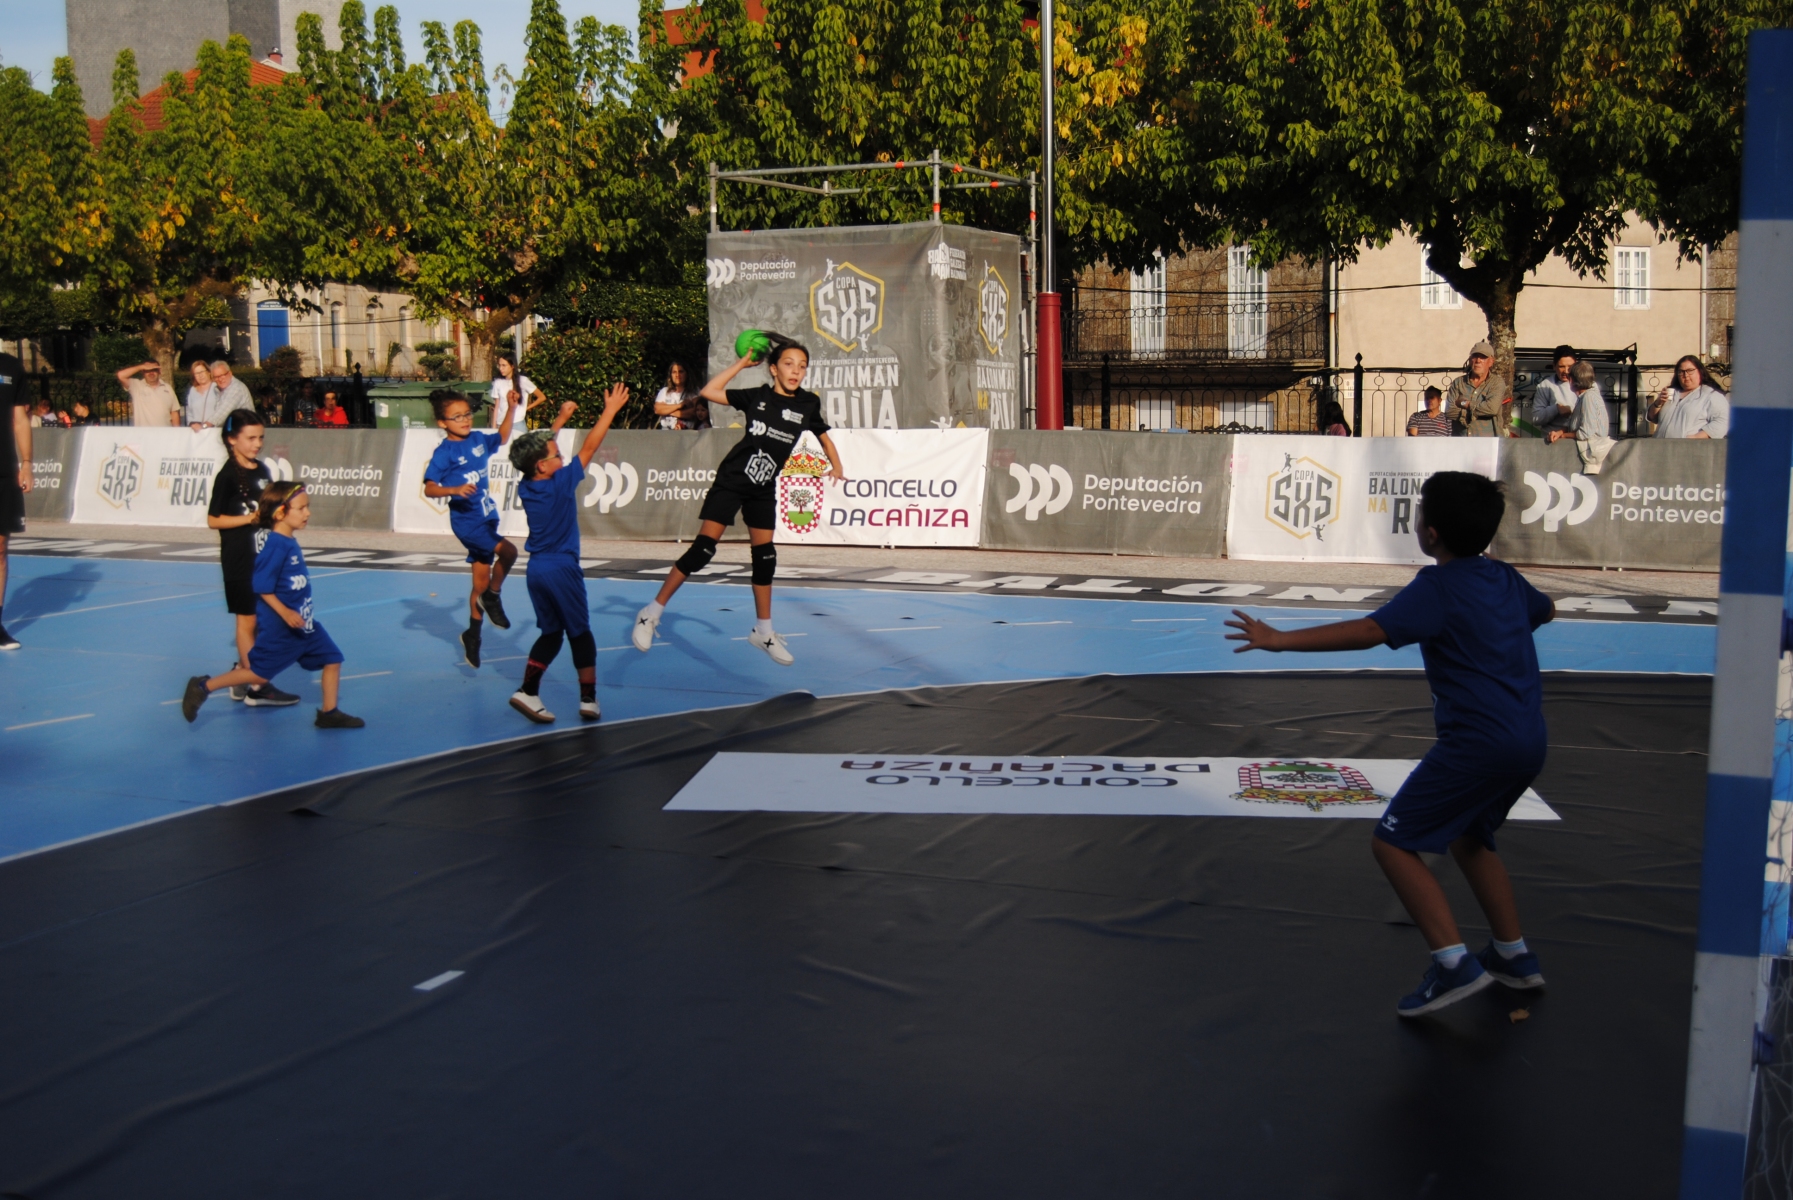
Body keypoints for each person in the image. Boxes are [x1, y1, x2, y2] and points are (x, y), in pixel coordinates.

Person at [1225, 471, 1553, 1017]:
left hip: (1477, 743)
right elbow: (1545, 611)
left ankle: (1453, 965)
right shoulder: (1505, 578)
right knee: (1471, 835)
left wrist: (1279, 640)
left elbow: (1371, 631)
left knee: (1393, 843)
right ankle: (1513, 956)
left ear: (1430, 532)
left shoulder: (1438, 588)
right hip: (1529, 739)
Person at [630, 335, 846, 666]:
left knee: (766, 557)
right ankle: (651, 613)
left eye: (802, 366)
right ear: (773, 369)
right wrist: (743, 363)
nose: (796, 371)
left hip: (763, 486)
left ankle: (763, 631)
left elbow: (824, 437)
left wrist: (837, 464)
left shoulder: (807, 403)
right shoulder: (757, 396)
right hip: (732, 480)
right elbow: (709, 391)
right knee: (703, 550)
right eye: (788, 364)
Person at [181, 481, 365, 728]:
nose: (308, 513)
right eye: (301, 508)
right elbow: (261, 586)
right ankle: (203, 686)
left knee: (333, 659)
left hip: (305, 625)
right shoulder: (275, 546)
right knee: (258, 673)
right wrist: (285, 612)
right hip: (282, 628)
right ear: (280, 513)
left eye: (307, 507)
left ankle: (329, 713)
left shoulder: (289, 542)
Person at [506, 383, 631, 723]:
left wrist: (560, 420)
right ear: (542, 466)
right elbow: (590, 447)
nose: (562, 457)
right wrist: (609, 411)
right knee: (580, 633)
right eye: (556, 456)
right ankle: (588, 700)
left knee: (551, 633)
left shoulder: (528, 484)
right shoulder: (560, 484)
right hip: (562, 568)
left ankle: (528, 692)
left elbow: (542, 452)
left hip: (536, 571)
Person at [423, 388, 522, 668]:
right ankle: (494, 597)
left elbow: (502, 437)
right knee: (510, 552)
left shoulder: (477, 439)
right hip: (467, 521)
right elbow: (430, 488)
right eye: (457, 417)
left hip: (486, 515)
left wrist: (511, 408)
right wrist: (454, 489)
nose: (465, 420)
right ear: (442, 423)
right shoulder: (445, 452)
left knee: (479, 584)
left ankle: (472, 635)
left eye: (467, 414)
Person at [206, 409, 297, 707]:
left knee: (262, 619)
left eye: (261, 438)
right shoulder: (228, 476)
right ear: (232, 439)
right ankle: (258, 686)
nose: (257, 444)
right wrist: (249, 519)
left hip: (262, 557)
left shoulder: (262, 470)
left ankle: (241, 673)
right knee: (247, 621)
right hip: (239, 559)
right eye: (251, 438)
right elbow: (213, 520)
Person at [0, 348, 30, 650]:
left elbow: (20, 419)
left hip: (4, 471)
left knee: (0, 548)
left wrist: (27, 463)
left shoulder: (10, 366)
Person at [1546, 360, 1614, 474]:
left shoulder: (1589, 398)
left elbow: (1586, 433)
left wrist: (1563, 436)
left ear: (1572, 380)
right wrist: (1559, 432)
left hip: (1592, 457)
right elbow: (1574, 425)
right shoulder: (1584, 397)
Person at [1649, 356, 1730, 439]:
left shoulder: (1711, 395)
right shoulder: (1671, 393)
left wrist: (1697, 437)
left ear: (1700, 371)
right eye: (1681, 371)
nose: (1686, 375)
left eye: (1690, 370)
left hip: (1689, 446)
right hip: (1660, 445)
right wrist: (1658, 403)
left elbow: (1724, 420)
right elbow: (1652, 418)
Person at [1447, 341, 1511, 437]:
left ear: (1491, 361)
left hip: (1488, 440)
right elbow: (1449, 411)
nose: (1478, 360)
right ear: (1470, 360)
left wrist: (1465, 404)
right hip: (1462, 440)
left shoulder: (1496, 383)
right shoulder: (1458, 383)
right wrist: (1473, 412)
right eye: (1475, 356)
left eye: (1483, 357)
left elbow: (1491, 408)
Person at [1530, 345, 1579, 438]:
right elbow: (1536, 418)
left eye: (1570, 366)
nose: (1566, 371)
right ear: (1554, 366)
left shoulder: (1587, 384)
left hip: (1578, 439)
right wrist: (1556, 409)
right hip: (1552, 441)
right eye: (1561, 366)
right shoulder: (1545, 386)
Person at [117, 361, 180, 427]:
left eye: (154, 370)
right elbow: (121, 375)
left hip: (165, 432)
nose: (151, 373)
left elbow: (174, 412)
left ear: (159, 371)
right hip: (144, 432)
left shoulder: (168, 388)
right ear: (143, 372)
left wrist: (177, 432)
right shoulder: (136, 386)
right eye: (147, 370)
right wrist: (141, 367)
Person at [489, 352, 542, 431]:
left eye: (504, 365)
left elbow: (541, 397)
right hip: (501, 423)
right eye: (499, 365)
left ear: (512, 366)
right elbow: (497, 407)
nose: (501, 368)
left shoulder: (522, 380)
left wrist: (526, 408)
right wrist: (494, 427)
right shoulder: (498, 382)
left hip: (517, 424)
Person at [653, 362, 710, 430]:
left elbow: (695, 412)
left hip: (687, 431)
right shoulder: (664, 391)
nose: (677, 375)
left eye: (681, 372)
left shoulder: (694, 392)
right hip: (666, 432)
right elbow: (657, 409)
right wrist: (680, 405)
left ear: (687, 374)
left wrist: (667, 411)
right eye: (674, 372)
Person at [207, 360, 255, 426]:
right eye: (216, 377)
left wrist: (205, 425)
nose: (220, 379)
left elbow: (223, 412)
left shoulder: (236, 388)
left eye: (223, 375)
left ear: (230, 373)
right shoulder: (219, 390)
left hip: (246, 429)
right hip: (235, 429)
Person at [184, 360, 218, 429]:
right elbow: (189, 412)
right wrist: (191, 424)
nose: (200, 375)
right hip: (196, 430)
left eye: (202, 372)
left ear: (208, 372)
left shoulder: (216, 387)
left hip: (213, 428)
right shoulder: (192, 390)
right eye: (196, 373)